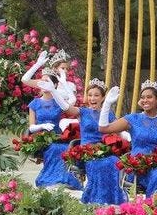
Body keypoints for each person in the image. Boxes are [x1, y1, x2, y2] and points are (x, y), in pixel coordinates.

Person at [37, 77, 127, 205]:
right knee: (97, 164)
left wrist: (126, 139)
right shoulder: (82, 112)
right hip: (86, 151)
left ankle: (111, 198)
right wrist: (53, 91)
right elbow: (66, 107)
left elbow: (118, 131)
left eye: (96, 95)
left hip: (104, 150)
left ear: (103, 98)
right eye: (90, 95)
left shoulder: (109, 113)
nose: (92, 98)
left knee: (113, 162)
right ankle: (95, 198)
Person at [99, 80, 157, 196]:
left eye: (149, 97)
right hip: (140, 164)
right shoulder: (133, 119)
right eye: (142, 97)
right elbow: (104, 128)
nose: (145, 100)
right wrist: (107, 104)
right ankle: (155, 205)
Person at [25, 68, 82, 190]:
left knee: (65, 148)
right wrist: (41, 126)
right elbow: (31, 126)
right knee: (53, 148)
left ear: (54, 85)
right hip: (42, 136)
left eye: (48, 82)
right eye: (42, 81)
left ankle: (65, 179)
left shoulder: (58, 101)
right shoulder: (35, 103)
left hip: (58, 136)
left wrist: (64, 82)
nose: (44, 84)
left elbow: (72, 100)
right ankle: (49, 179)